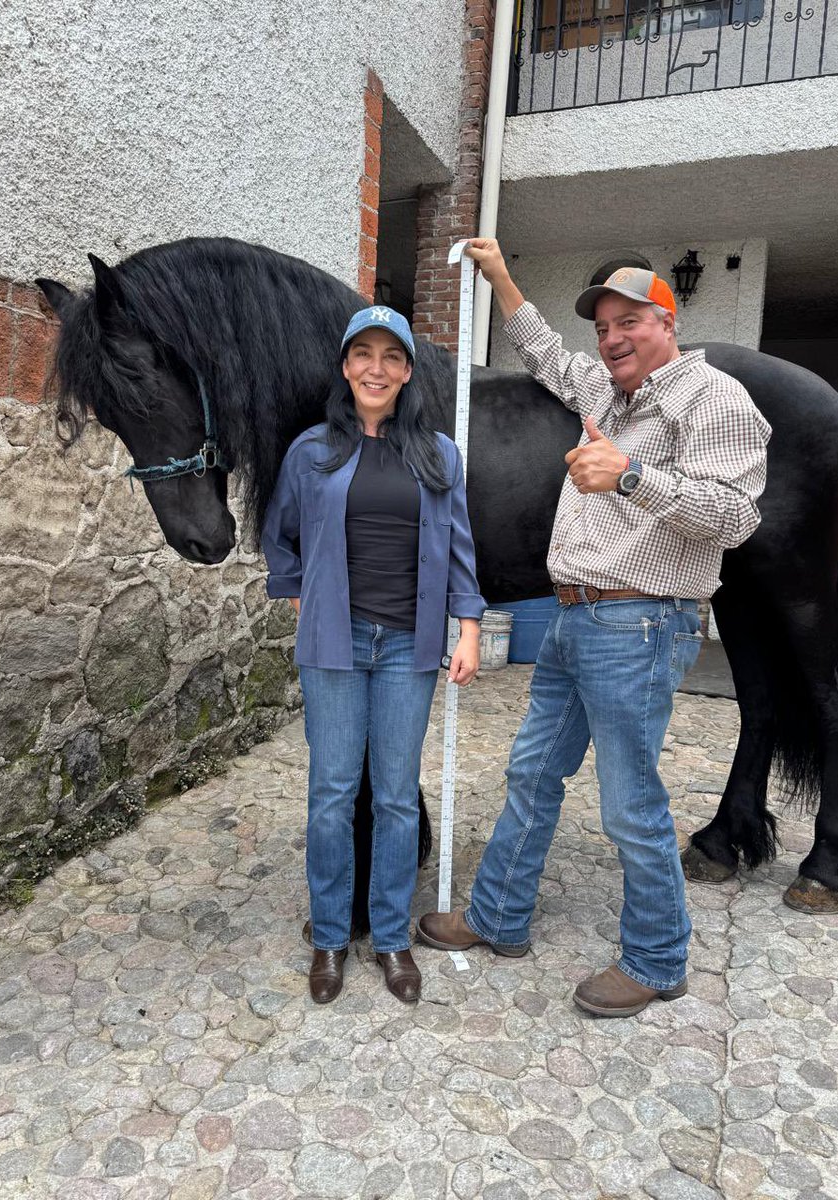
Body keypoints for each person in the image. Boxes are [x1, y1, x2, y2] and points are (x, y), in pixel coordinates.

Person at [417, 241, 771, 1017]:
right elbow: (543, 348)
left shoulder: (714, 399)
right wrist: (504, 275)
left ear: (667, 322)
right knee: (533, 775)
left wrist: (634, 477)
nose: (612, 337)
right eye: (605, 326)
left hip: (641, 622)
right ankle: (498, 917)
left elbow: (737, 519)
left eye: (630, 322)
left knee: (628, 801)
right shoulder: (606, 393)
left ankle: (656, 957)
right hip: (573, 618)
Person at [262, 305, 485, 1005]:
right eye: (364, 354)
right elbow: (281, 535)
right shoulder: (311, 452)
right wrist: (301, 592)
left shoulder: (439, 454)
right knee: (332, 795)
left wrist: (469, 626)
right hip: (334, 643)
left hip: (408, 646)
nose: (377, 369)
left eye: (392, 356)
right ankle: (331, 935)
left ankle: (389, 936)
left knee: (394, 797)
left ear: (409, 371)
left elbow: (458, 549)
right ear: (345, 366)